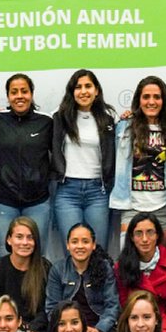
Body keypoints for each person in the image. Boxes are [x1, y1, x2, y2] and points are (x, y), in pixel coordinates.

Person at [110, 75, 166, 235]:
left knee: (163, 259)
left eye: (157, 97)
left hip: (165, 206)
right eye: (146, 97)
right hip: (131, 205)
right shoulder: (125, 126)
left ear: (164, 100)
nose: (151, 102)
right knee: (129, 257)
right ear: (139, 100)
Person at [0, 73, 53, 255]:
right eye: (14, 92)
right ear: (8, 96)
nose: (19, 96)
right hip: (4, 201)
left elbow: (58, 156)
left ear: (31, 94)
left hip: (38, 202)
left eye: (24, 91)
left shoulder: (46, 122)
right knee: (5, 256)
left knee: (36, 256)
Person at [52, 69, 117, 244]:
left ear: (96, 90)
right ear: (72, 92)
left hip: (98, 191)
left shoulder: (108, 117)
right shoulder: (60, 117)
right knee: (73, 249)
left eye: (88, 86)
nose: (83, 91)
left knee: (98, 249)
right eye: (78, 87)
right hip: (67, 191)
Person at [45, 223, 119, 332]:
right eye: (74, 242)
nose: (80, 246)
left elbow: (112, 305)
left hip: (98, 328)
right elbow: (51, 309)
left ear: (93, 245)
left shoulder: (104, 267)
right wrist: (70, 328)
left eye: (85, 241)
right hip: (67, 329)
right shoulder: (58, 269)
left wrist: (99, 329)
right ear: (68, 245)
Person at [0, 216, 51, 332]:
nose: (25, 242)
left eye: (30, 238)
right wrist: (19, 328)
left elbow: (48, 307)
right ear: (9, 240)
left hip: (39, 329)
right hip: (6, 328)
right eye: (19, 237)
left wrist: (33, 329)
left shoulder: (45, 268)